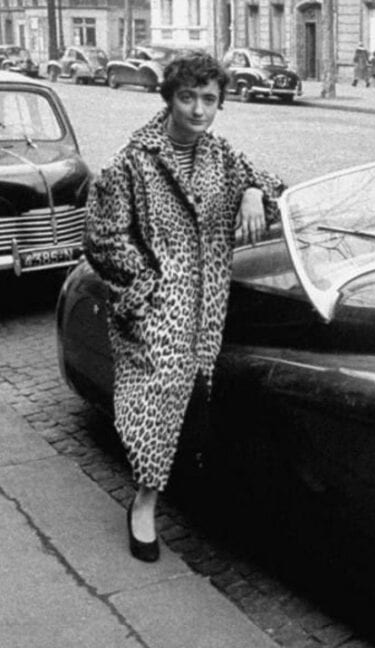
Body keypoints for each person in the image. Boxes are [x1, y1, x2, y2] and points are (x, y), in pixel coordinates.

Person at [84, 52, 284, 563]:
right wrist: (147, 288)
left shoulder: (222, 156)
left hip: (207, 306)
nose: (198, 110)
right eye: (188, 97)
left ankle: (181, 490)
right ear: (169, 99)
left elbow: (277, 188)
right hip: (157, 310)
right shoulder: (134, 161)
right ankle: (144, 505)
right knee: (155, 404)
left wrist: (253, 192)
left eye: (209, 99)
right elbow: (102, 237)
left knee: (193, 402)